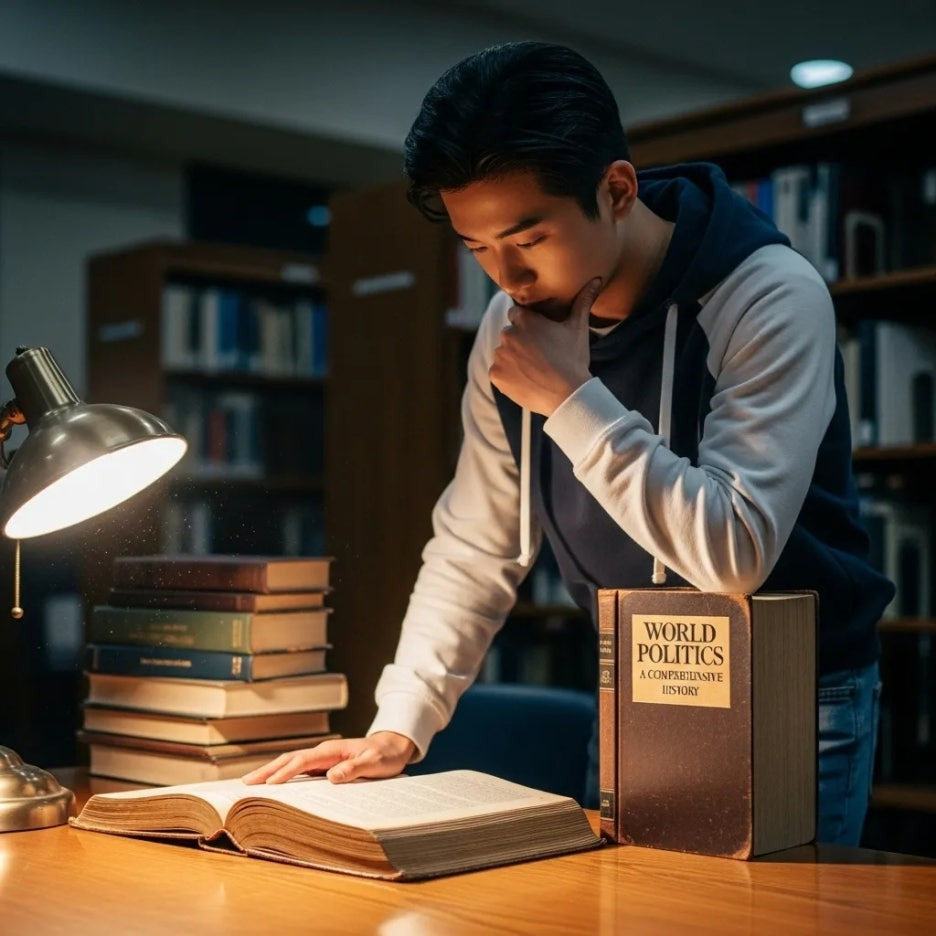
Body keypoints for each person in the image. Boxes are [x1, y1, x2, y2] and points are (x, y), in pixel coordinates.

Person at [243, 40, 894, 845]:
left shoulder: (765, 294)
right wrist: (399, 726)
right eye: (476, 248)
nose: (507, 278)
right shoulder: (510, 330)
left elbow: (735, 551)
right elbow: (477, 543)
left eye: (528, 238)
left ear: (616, 190)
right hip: (638, 684)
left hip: (795, 692)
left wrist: (569, 398)